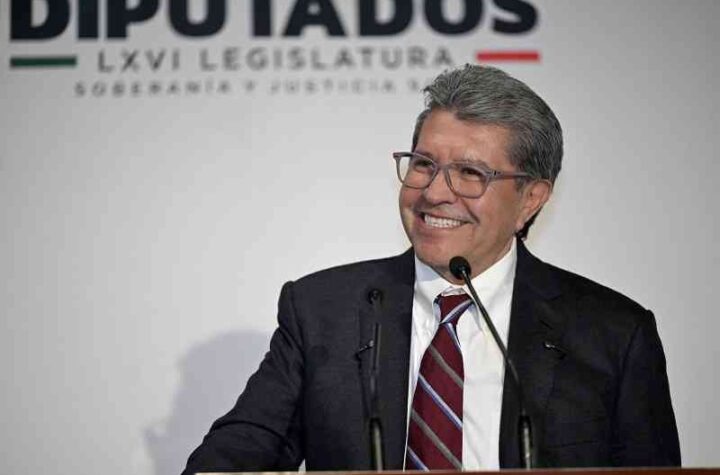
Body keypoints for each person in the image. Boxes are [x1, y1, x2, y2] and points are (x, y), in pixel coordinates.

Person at [183, 65, 680, 473]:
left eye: (470, 173)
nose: (435, 192)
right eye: (423, 164)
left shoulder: (612, 333)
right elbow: (246, 446)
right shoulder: (322, 310)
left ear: (531, 198)